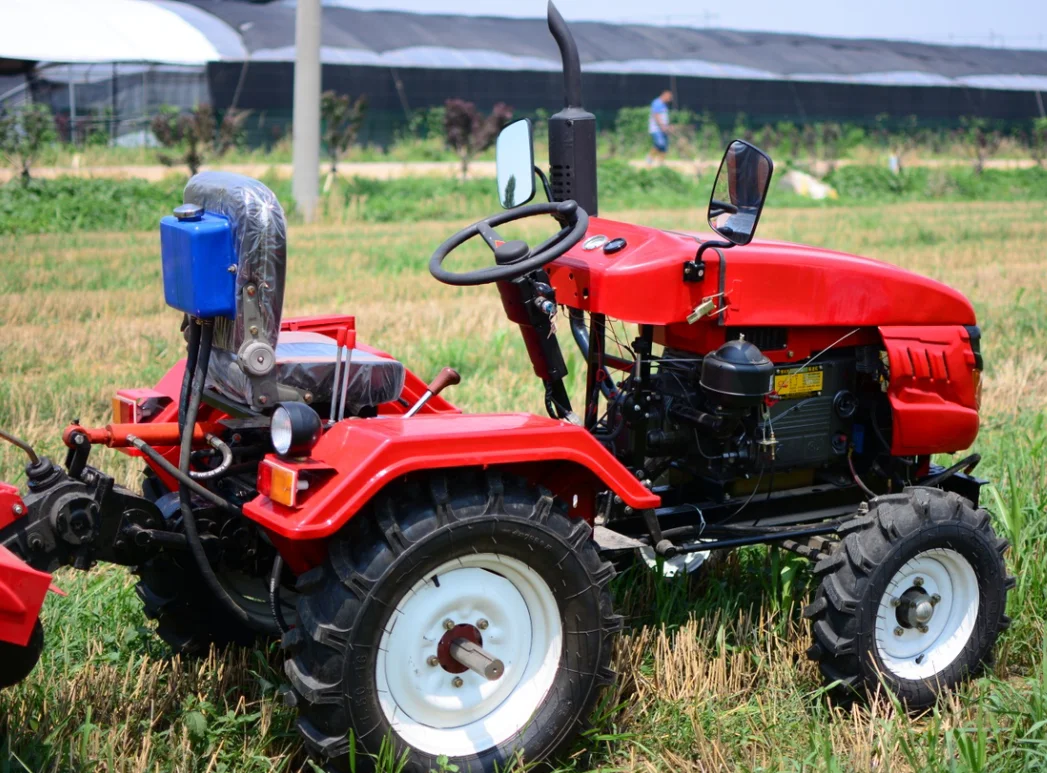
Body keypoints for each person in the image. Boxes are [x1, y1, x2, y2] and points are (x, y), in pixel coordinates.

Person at [647, 89, 673, 164]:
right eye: (669, 97)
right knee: (660, 144)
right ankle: (649, 159)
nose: (670, 99)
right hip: (656, 129)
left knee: (664, 147)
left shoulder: (664, 105)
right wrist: (662, 126)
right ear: (664, 95)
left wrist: (668, 126)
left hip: (663, 128)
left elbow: (664, 118)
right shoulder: (657, 103)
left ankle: (661, 163)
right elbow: (656, 116)